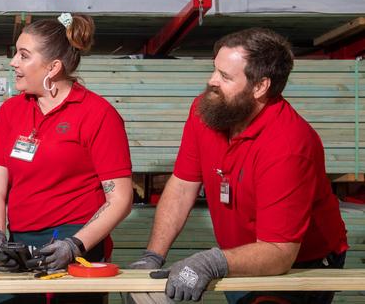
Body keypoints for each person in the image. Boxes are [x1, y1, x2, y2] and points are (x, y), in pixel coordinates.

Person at [128, 28, 349, 304]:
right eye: (214, 70)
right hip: (240, 254)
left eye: (225, 76)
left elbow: (279, 252)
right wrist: (153, 256)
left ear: (260, 86)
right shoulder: (207, 110)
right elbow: (183, 185)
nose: (211, 81)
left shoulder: (288, 145)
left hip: (299, 264)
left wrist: (212, 262)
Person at [0, 13, 133, 303]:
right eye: (16, 53)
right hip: (20, 242)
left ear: (53, 67)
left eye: (23, 55)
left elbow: (120, 198)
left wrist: (75, 246)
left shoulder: (97, 114)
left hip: (76, 242)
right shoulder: (10, 112)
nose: (13, 62)